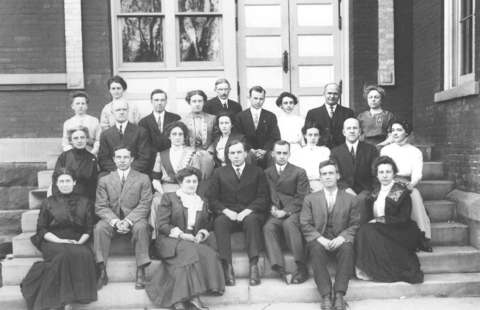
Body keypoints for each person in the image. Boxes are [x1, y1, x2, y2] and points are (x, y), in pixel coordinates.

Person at [146, 167, 225, 310]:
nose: (192, 184)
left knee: (209, 253)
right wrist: (182, 235)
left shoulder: (202, 201)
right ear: (180, 182)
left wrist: (201, 234)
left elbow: (206, 224)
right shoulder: (169, 197)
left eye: (195, 181)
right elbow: (162, 225)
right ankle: (193, 298)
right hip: (169, 240)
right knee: (189, 252)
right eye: (188, 181)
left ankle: (180, 302)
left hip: (191, 239)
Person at [21, 168, 97, 310]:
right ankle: (63, 304)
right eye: (61, 181)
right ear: (56, 183)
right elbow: (42, 229)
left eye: (68, 181)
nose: (65, 184)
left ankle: (67, 300)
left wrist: (80, 241)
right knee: (63, 254)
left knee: (84, 254)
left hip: (77, 239)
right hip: (53, 240)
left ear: (74, 182)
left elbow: (89, 227)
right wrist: (61, 241)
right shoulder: (48, 202)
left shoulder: (84, 201)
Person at [207, 140, 269, 286]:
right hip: (228, 213)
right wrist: (226, 211)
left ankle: (254, 267)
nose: (236, 156)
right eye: (232, 153)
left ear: (245, 153)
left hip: (251, 212)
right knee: (219, 222)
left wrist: (247, 211)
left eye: (239, 152)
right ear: (228, 155)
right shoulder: (219, 173)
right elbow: (212, 198)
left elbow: (263, 198)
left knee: (252, 221)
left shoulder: (257, 171)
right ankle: (227, 267)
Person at [300, 160, 360, 310]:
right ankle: (326, 295)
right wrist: (321, 239)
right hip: (320, 238)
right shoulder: (310, 199)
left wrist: (342, 238)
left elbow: (355, 224)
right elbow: (305, 224)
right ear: (320, 177)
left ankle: (339, 294)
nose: (327, 177)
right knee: (315, 248)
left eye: (331, 173)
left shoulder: (350, 199)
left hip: (340, 238)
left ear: (337, 175)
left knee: (347, 248)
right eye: (324, 174)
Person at [355, 156, 424, 284]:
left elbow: (403, 218)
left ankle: (381, 271)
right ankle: (371, 270)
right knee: (364, 231)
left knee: (367, 231)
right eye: (381, 172)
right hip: (381, 231)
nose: (385, 175)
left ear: (394, 173)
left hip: (400, 230)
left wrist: (379, 220)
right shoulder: (375, 193)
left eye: (388, 172)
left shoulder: (401, 192)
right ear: (376, 175)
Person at [94, 145, 153, 290]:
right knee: (99, 228)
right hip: (112, 218)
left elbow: (145, 204)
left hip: (134, 218)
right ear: (114, 160)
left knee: (141, 227)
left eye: (126, 157)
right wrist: (115, 221)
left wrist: (127, 221)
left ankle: (141, 270)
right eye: (118, 157)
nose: (122, 160)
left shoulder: (143, 178)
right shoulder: (105, 180)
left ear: (132, 159)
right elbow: (100, 206)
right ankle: (102, 270)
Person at [380, 119, 432, 252]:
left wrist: (411, 184)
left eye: (399, 130)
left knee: (414, 194)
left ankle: (420, 236)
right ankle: (404, 239)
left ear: (407, 132)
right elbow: (383, 171)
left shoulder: (415, 152)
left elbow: (417, 174)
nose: (395, 133)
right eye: (393, 130)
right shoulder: (386, 150)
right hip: (389, 183)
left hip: (407, 183)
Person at [263, 141, 310, 285]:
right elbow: (264, 195)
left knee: (289, 224)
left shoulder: (299, 171)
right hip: (276, 212)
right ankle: (281, 270)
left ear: (289, 154)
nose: (282, 156)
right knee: (268, 227)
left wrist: (285, 211)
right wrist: (271, 206)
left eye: (285, 153)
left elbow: (303, 197)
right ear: (273, 154)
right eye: (279, 153)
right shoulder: (266, 173)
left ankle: (302, 267)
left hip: (294, 211)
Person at [149, 121, 200, 240]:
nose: (177, 137)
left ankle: (184, 238)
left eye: (180, 134)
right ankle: (154, 240)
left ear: (184, 136)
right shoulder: (161, 155)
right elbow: (155, 180)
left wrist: (187, 189)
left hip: (186, 189)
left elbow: (196, 178)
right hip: (165, 189)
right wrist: (163, 194)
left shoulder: (192, 154)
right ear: (169, 136)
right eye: (174, 134)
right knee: (155, 202)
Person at [330, 118, 379, 225]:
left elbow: (375, 173)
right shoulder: (335, 151)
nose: (352, 131)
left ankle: (360, 233)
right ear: (344, 132)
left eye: (355, 128)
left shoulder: (371, 149)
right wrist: (347, 190)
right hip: (344, 188)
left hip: (365, 188)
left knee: (361, 200)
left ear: (360, 131)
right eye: (348, 128)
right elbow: (335, 174)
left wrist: (376, 191)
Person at [97, 99, 150, 177]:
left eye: (124, 109)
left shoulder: (140, 132)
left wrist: (129, 172)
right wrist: (116, 172)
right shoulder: (105, 134)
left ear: (128, 111)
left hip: (135, 173)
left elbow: (144, 156)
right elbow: (103, 158)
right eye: (118, 110)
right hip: (113, 173)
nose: (121, 112)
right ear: (112, 113)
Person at [235, 86, 281, 168]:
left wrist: (264, 150)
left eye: (261, 99)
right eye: (255, 98)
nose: (258, 101)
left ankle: (270, 179)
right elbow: (239, 136)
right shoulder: (240, 116)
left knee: (273, 156)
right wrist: (251, 149)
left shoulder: (270, 116)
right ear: (250, 98)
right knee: (248, 156)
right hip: (248, 150)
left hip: (266, 151)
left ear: (264, 99)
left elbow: (275, 137)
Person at [138, 89, 181, 177]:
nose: (159, 103)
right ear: (151, 102)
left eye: (162, 100)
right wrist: (158, 154)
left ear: (166, 102)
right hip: (152, 158)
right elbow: (144, 143)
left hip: (172, 156)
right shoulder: (144, 122)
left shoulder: (175, 118)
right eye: (156, 100)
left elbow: (179, 137)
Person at [53, 126, 99, 202]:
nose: (79, 141)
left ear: (87, 139)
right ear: (71, 141)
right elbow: (56, 180)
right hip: (65, 198)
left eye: (82, 137)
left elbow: (93, 185)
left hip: (85, 199)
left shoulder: (92, 159)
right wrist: (57, 201)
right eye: (75, 138)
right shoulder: (64, 157)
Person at [180, 90, 216, 181]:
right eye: (194, 101)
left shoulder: (213, 119)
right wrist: (192, 152)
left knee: (205, 162)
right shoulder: (182, 122)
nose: (197, 104)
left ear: (204, 102)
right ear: (189, 103)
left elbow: (217, 138)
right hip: (189, 153)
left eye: (200, 101)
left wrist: (209, 151)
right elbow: (182, 142)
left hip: (208, 152)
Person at [304, 83, 354, 149]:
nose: (332, 96)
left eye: (335, 94)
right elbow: (307, 134)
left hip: (342, 150)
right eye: (329, 93)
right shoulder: (313, 113)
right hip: (320, 149)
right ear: (324, 93)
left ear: (340, 95)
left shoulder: (348, 112)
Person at [289, 122, 331, 192]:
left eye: (316, 135)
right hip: (304, 185)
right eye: (310, 135)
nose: (313, 138)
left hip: (322, 184)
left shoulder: (325, 151)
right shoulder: (297, 153)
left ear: (319, 136)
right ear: (305, 135)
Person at [62, 91, 101, 155]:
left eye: (83, 103)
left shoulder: (94, 121)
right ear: (72, 106)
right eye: (77, 103)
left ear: (86, 106)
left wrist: (93, 152)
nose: (80, 106)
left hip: (91, 152)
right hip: (74, 154)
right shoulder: (67, 123)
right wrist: (72, 154)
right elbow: (65, 143)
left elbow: (98, 140)